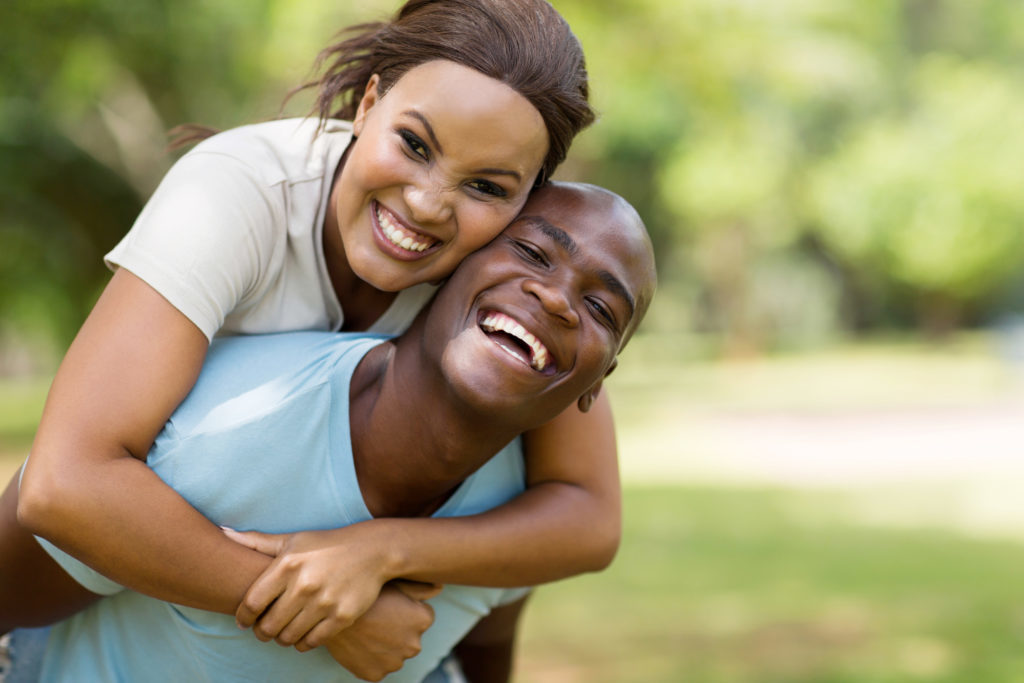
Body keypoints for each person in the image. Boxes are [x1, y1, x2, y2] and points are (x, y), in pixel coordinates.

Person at [1, 0, 627, 667]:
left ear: (530, 195)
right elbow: (63, 485)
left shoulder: (496, 268)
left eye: (486, 185)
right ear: (368, 104)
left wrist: (381, 550)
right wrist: (327, 608)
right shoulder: (238, 193)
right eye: (413, 145)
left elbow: (587, 514)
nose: (427, 203)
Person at [32, 181, 657, 682]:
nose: (555, 300)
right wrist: (322, 610)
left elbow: (482, 652)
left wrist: (381, 550)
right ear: (449, 266)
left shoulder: (514, 520)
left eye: (602, 309)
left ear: (599, 382)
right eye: (531, 253)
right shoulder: (224, 427)